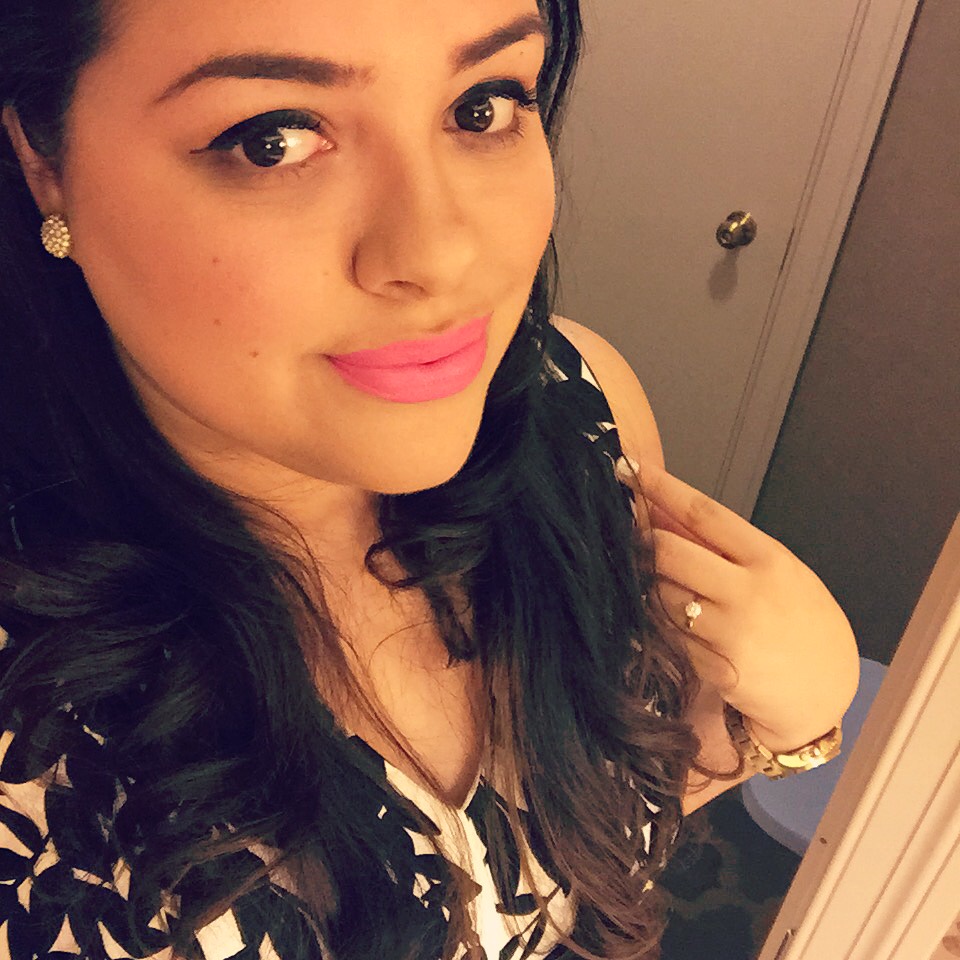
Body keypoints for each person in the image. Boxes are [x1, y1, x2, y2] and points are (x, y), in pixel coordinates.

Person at [0, 1, 860, 958]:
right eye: (271, 139)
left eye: (482, 106)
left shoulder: (581, 405)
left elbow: (564, 855)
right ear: (42, 157)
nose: (443, 252)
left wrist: (783, 724)